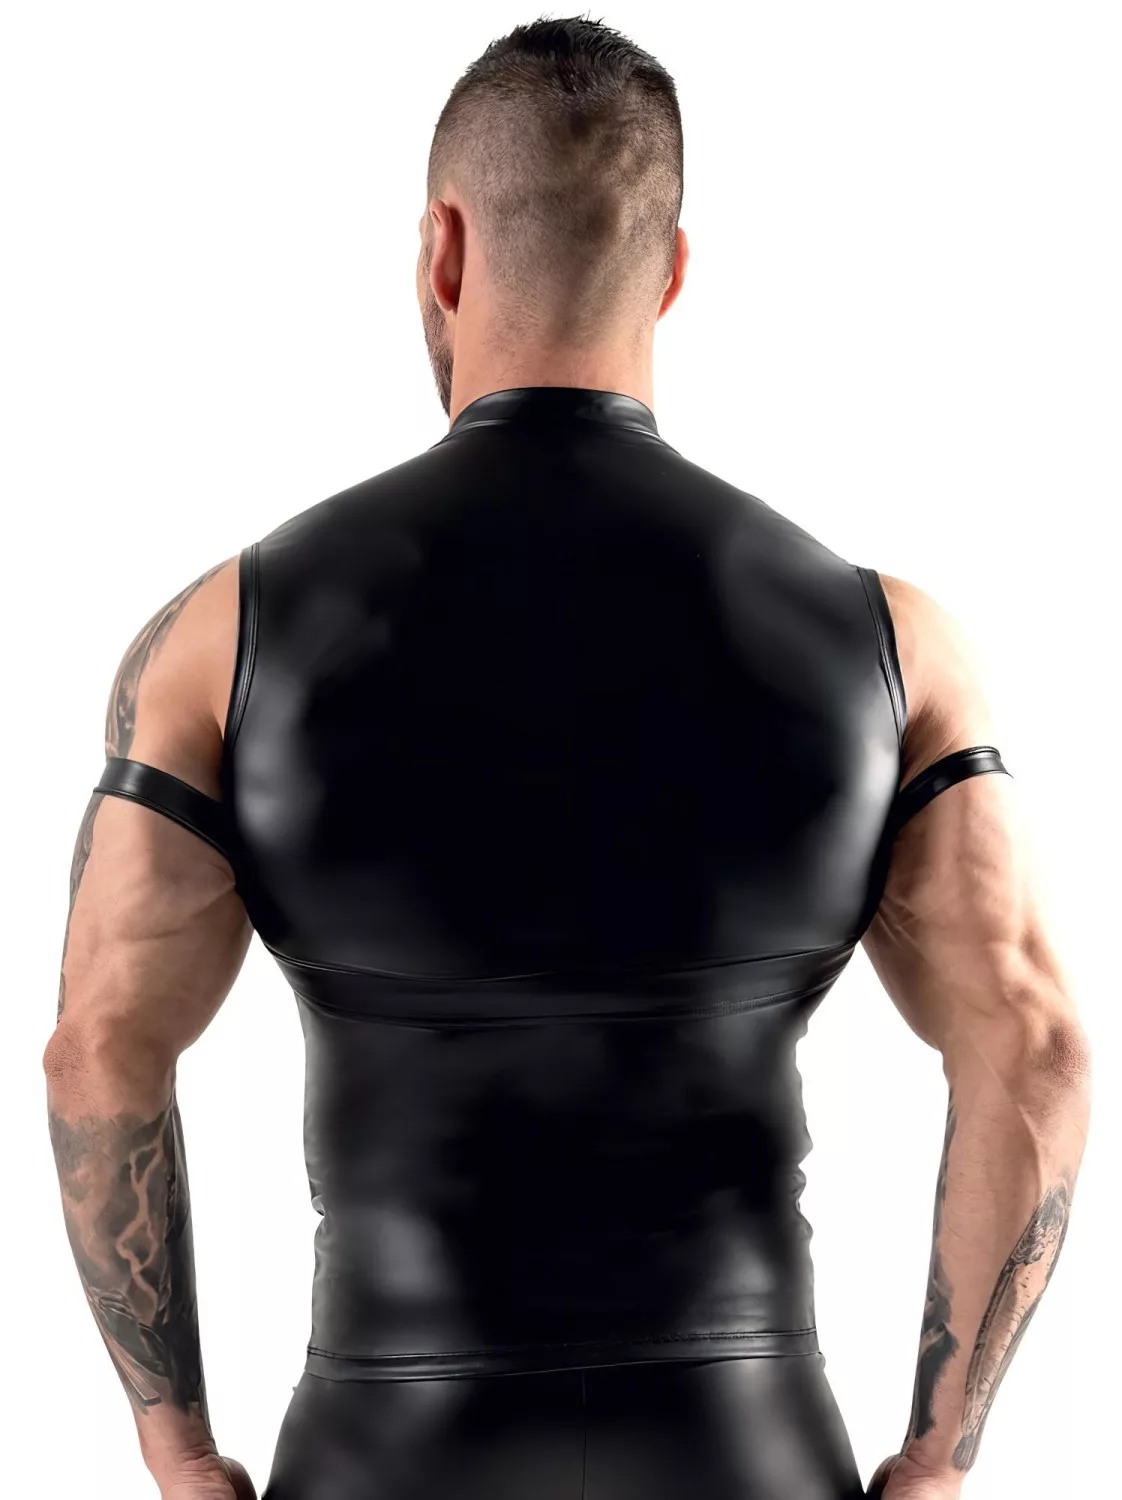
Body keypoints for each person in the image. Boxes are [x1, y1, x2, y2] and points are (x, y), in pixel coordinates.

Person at [43, 16, 1091, 1500]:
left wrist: (174, 1447)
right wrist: (937, 1459)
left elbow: (99, 1042)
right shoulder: (890, 641)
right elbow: (1032, 1044)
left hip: (386, 1452)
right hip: (745, 1451)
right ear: (670, 271)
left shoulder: (224, 635)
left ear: (441, 251)